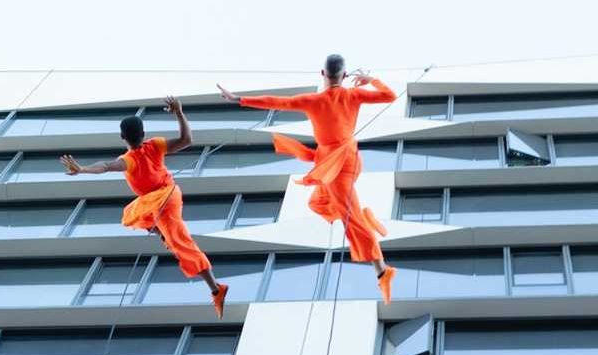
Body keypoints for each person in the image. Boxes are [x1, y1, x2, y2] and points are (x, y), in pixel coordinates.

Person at [217, 54, 398, 303]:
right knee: (318, 203)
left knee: (350, 218)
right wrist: (371, 80)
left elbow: (277, 102)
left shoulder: (313, 100)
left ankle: (382, 271)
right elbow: (390, 95)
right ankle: (364, 220)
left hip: (336, 165)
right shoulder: (353, 95)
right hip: (344, 161)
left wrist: (240, 99)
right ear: (344, 76)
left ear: (322, 74)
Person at [61, 96, 230, 318]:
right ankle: (164, 235)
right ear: (143, 133)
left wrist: (83, 169)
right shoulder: (155, 145)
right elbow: (186, 140)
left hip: (166, 198)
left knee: (182, 244)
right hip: (159, 199)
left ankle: (217, 289)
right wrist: (178, 112)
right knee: (137, 214)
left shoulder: (128, 160)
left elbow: (105, 166)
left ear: (122, 137)